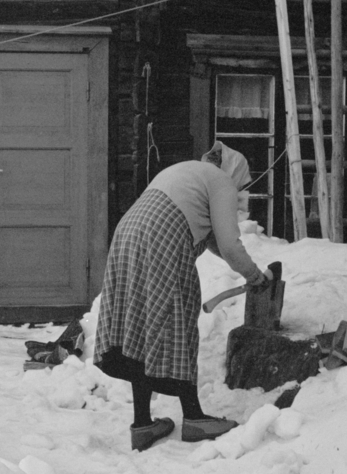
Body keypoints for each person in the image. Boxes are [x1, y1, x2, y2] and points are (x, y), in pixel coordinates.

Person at [95, 141, 272, 451]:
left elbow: (215, 239)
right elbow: (230, 246)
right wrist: (255, 276)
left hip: (128, 234)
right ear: (235, 172)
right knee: (176, 319)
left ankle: (143, 425)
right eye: (242, 186)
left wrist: (245, 270)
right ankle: (193, 418)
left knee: (141, 324)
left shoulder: (189, 171)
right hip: (161, 237)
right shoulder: (223, 183)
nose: (240, 193)